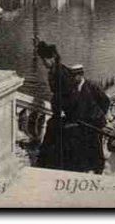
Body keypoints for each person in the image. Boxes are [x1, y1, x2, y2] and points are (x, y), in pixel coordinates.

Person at [64, 64, 111, 174]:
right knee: (84, 146)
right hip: (82, 124)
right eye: (71, 76)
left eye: (74, 76)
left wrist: (99, 115)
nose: (72, 78)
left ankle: (99, 168)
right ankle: (85, 167)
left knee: (96, 146)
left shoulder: (92, 86)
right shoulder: (72, 88)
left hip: (94, 123)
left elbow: (105, 101)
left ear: (81, 75)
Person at [35, 42, 74, 171]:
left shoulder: (61, 72)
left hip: (64, 113)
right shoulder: (55, 70)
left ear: (51, 58)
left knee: (55, 139)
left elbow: (69, 93)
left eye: (44, 60)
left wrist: (64, 109)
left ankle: (46, 165)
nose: (44, 64)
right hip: (58, 111)